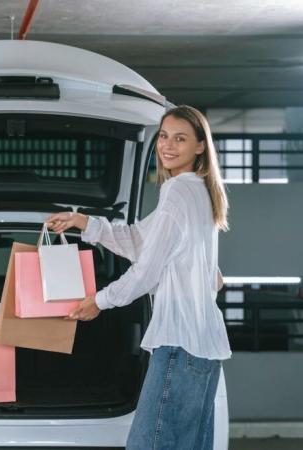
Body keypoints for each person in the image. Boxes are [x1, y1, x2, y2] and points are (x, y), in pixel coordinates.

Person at [45, 105, 232, 450]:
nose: (167, 146)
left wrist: (99, 301)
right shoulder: (200, 192)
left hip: (179, 342)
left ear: (200, 146)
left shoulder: (178, 191)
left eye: (180, 139)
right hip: (203, 347)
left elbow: (148, 269)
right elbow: (141, 241)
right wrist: (82, 221)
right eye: (163, 136)